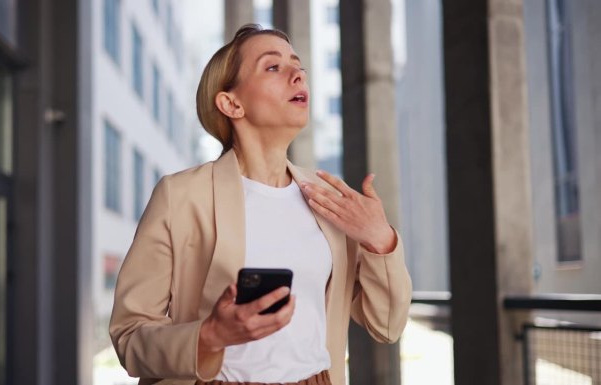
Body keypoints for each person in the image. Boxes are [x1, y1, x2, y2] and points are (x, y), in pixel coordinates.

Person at [109, 24, 412, 385]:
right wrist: (208, 337)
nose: (297, 74)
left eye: (297, 66)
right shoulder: (181, 196)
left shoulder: (330, 200)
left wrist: (381, 241)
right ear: (231, 103)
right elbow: (129, 335)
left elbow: (387, 326)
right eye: (273, 67)